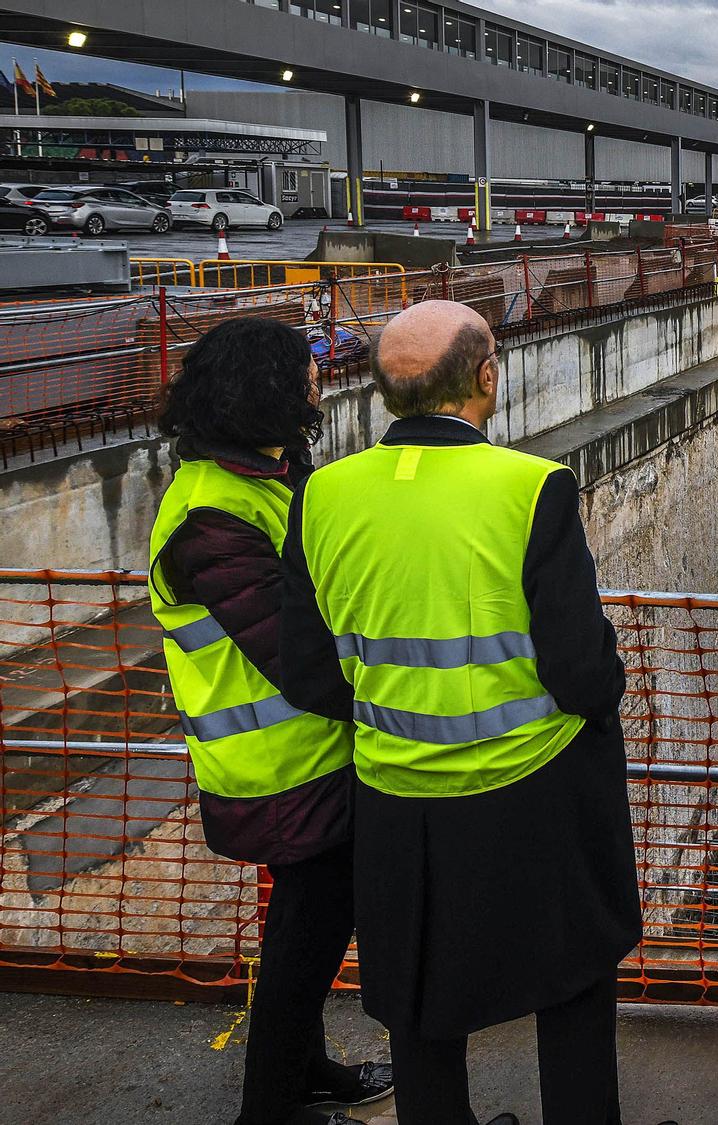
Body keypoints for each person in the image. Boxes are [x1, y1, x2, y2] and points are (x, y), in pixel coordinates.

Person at [280, 301, 641, 1125]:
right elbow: (583, 669)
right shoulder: (530, 487)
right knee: (575, 982)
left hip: (397, 801)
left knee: (419, 1005)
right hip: (536, 790)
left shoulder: (323, 496)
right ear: (486, 377)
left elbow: (309, 670)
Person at [147, 316, 394, 1125]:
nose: (319, 381)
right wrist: (398, 694)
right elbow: (296, 657)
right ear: (265, 391)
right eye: (305, 372)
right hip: (279, 773)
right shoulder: (211, 518)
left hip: (308, 762)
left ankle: (306, 1069)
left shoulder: (259, 478)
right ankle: (271, 1107)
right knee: (303, 939)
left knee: (311, 931)